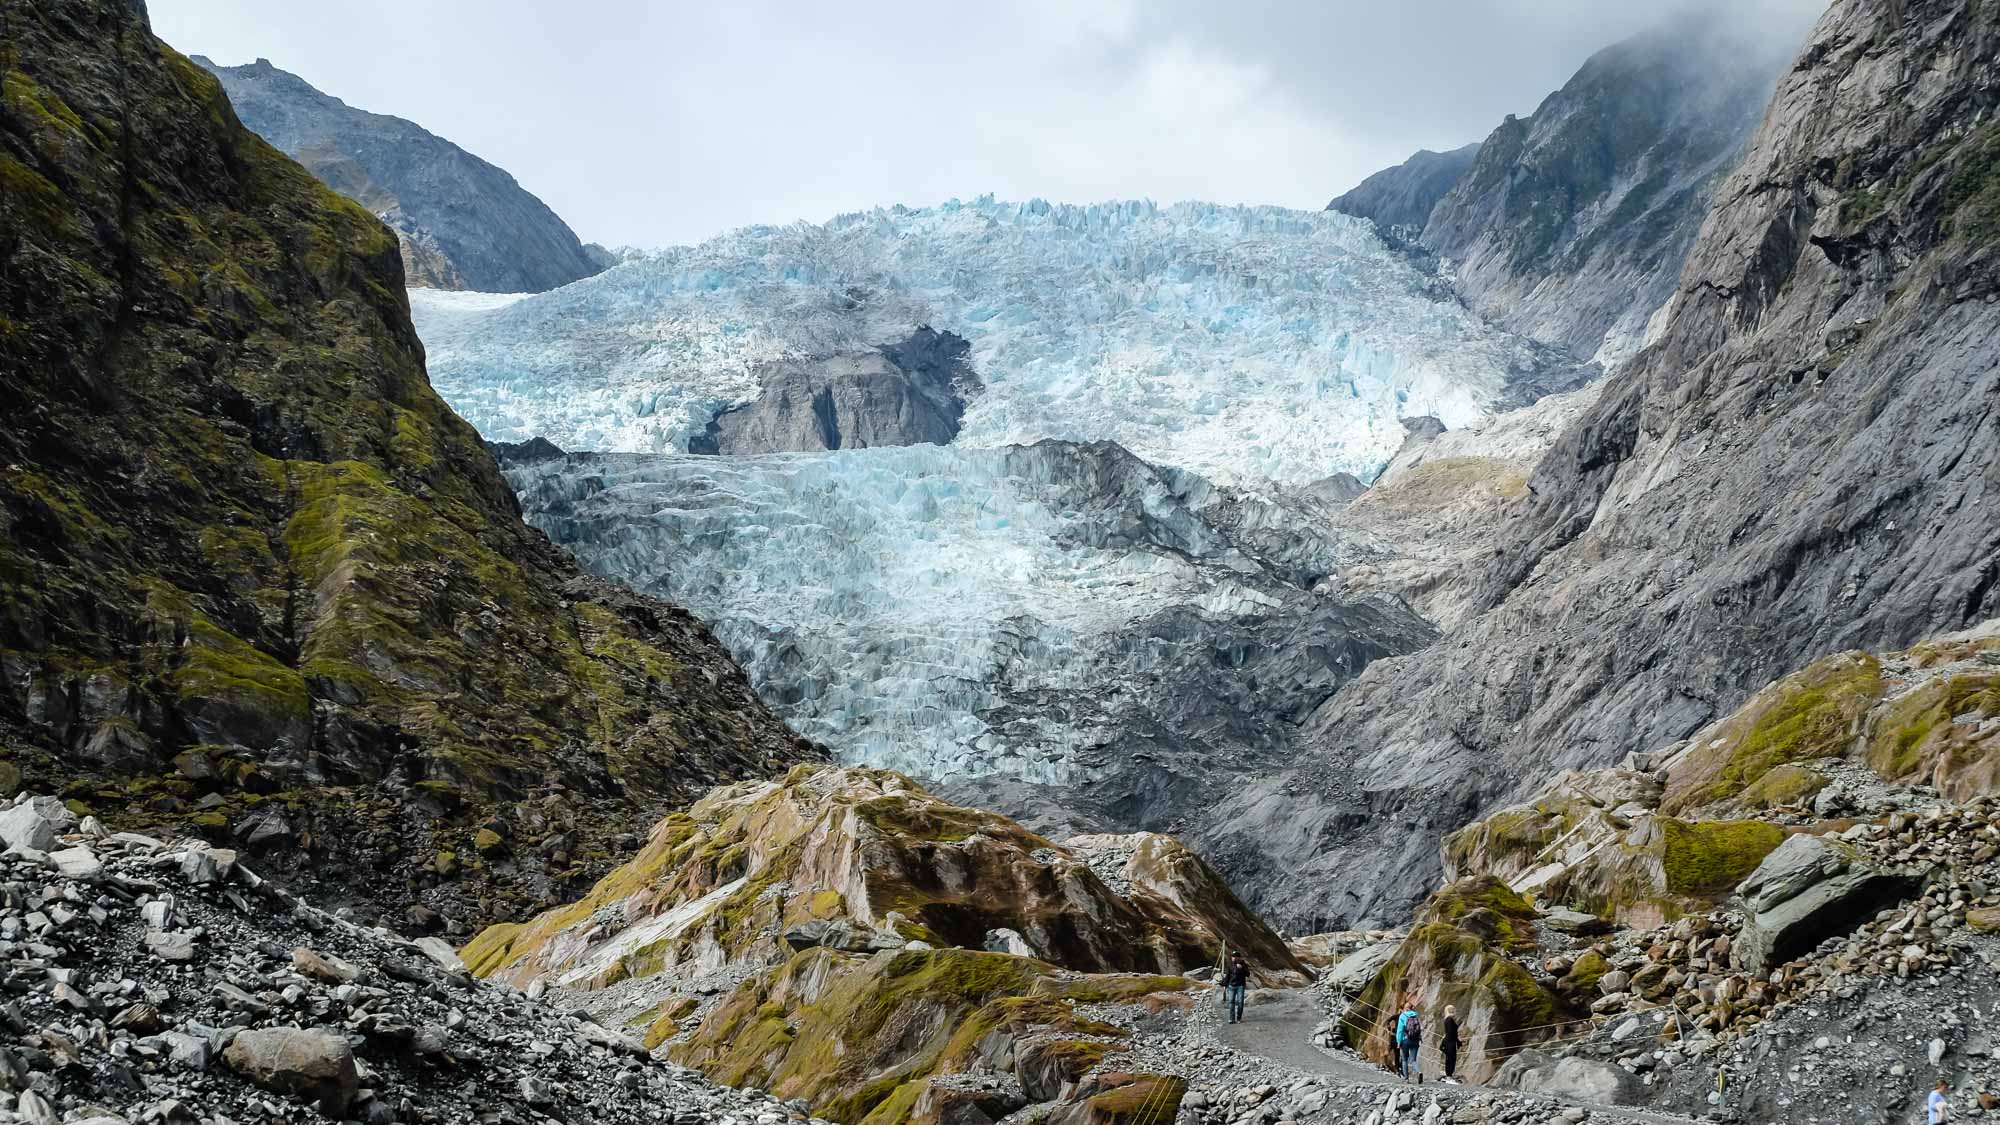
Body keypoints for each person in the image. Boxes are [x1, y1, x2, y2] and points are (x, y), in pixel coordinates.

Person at [1395, 1000, 1422, 1083]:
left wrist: (1398, 1042)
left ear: (1405, 1008)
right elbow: (1419, 1028)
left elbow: (1400, 1030)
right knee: (1413, 1060)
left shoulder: (1403, 1016)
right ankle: (1419, 1072)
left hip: (1406, 1040)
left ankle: (1406, 1078)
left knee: (1404, 1059)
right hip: (1416, 1040)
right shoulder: (1416, 1015)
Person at [1222, 954, 1250, 1024]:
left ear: (1239, 958)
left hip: (1240, 986)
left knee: (1240, 1002)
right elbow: (1228, 976)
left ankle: (1238, 1018)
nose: (1233, 958)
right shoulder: (1230, 965)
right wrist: (1224, 984)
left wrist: (1242, 968)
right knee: (1231, 1001)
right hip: (1231, 986)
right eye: (1232, 956)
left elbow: (1248, 974)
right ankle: (1231, 1019)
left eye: (1235, 956)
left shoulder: (1244, 965)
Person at [1441, 1004, 1461, 1081]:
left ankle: (1449, 1074)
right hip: (1450, 1041)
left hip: (1449, 1041)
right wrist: (1458, 1040)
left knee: (1450, 1058)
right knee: (1451, 1058)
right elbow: (1451, 1033)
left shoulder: (1448, 1019)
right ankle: (1449, 1075)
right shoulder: (1450, 1020)